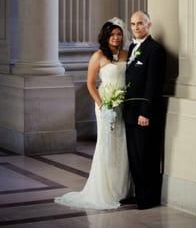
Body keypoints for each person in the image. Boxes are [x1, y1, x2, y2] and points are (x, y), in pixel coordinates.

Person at [55, 18, 130, 210]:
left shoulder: (126, 54)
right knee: (107, 145)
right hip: (105, 105)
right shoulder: (98, 56)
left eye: (119, 34)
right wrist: (103, 106)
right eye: (112, 34)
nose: (116, 37)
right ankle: (106, 190)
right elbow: (90, 83)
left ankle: (122, 190)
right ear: (106, 37)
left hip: (123, 105)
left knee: (123, 145)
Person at [122, 11, 166, 210]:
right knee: (134, 156)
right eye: (132, 24)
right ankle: (139, 194)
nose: (136, 27)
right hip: (129, 111)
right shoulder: (132, 47)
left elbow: (153, 84)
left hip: (143, 113)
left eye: (140, 23)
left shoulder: (154, 49)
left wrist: (145, 112)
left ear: (149, 25)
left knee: (146, 155)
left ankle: (149, 198)